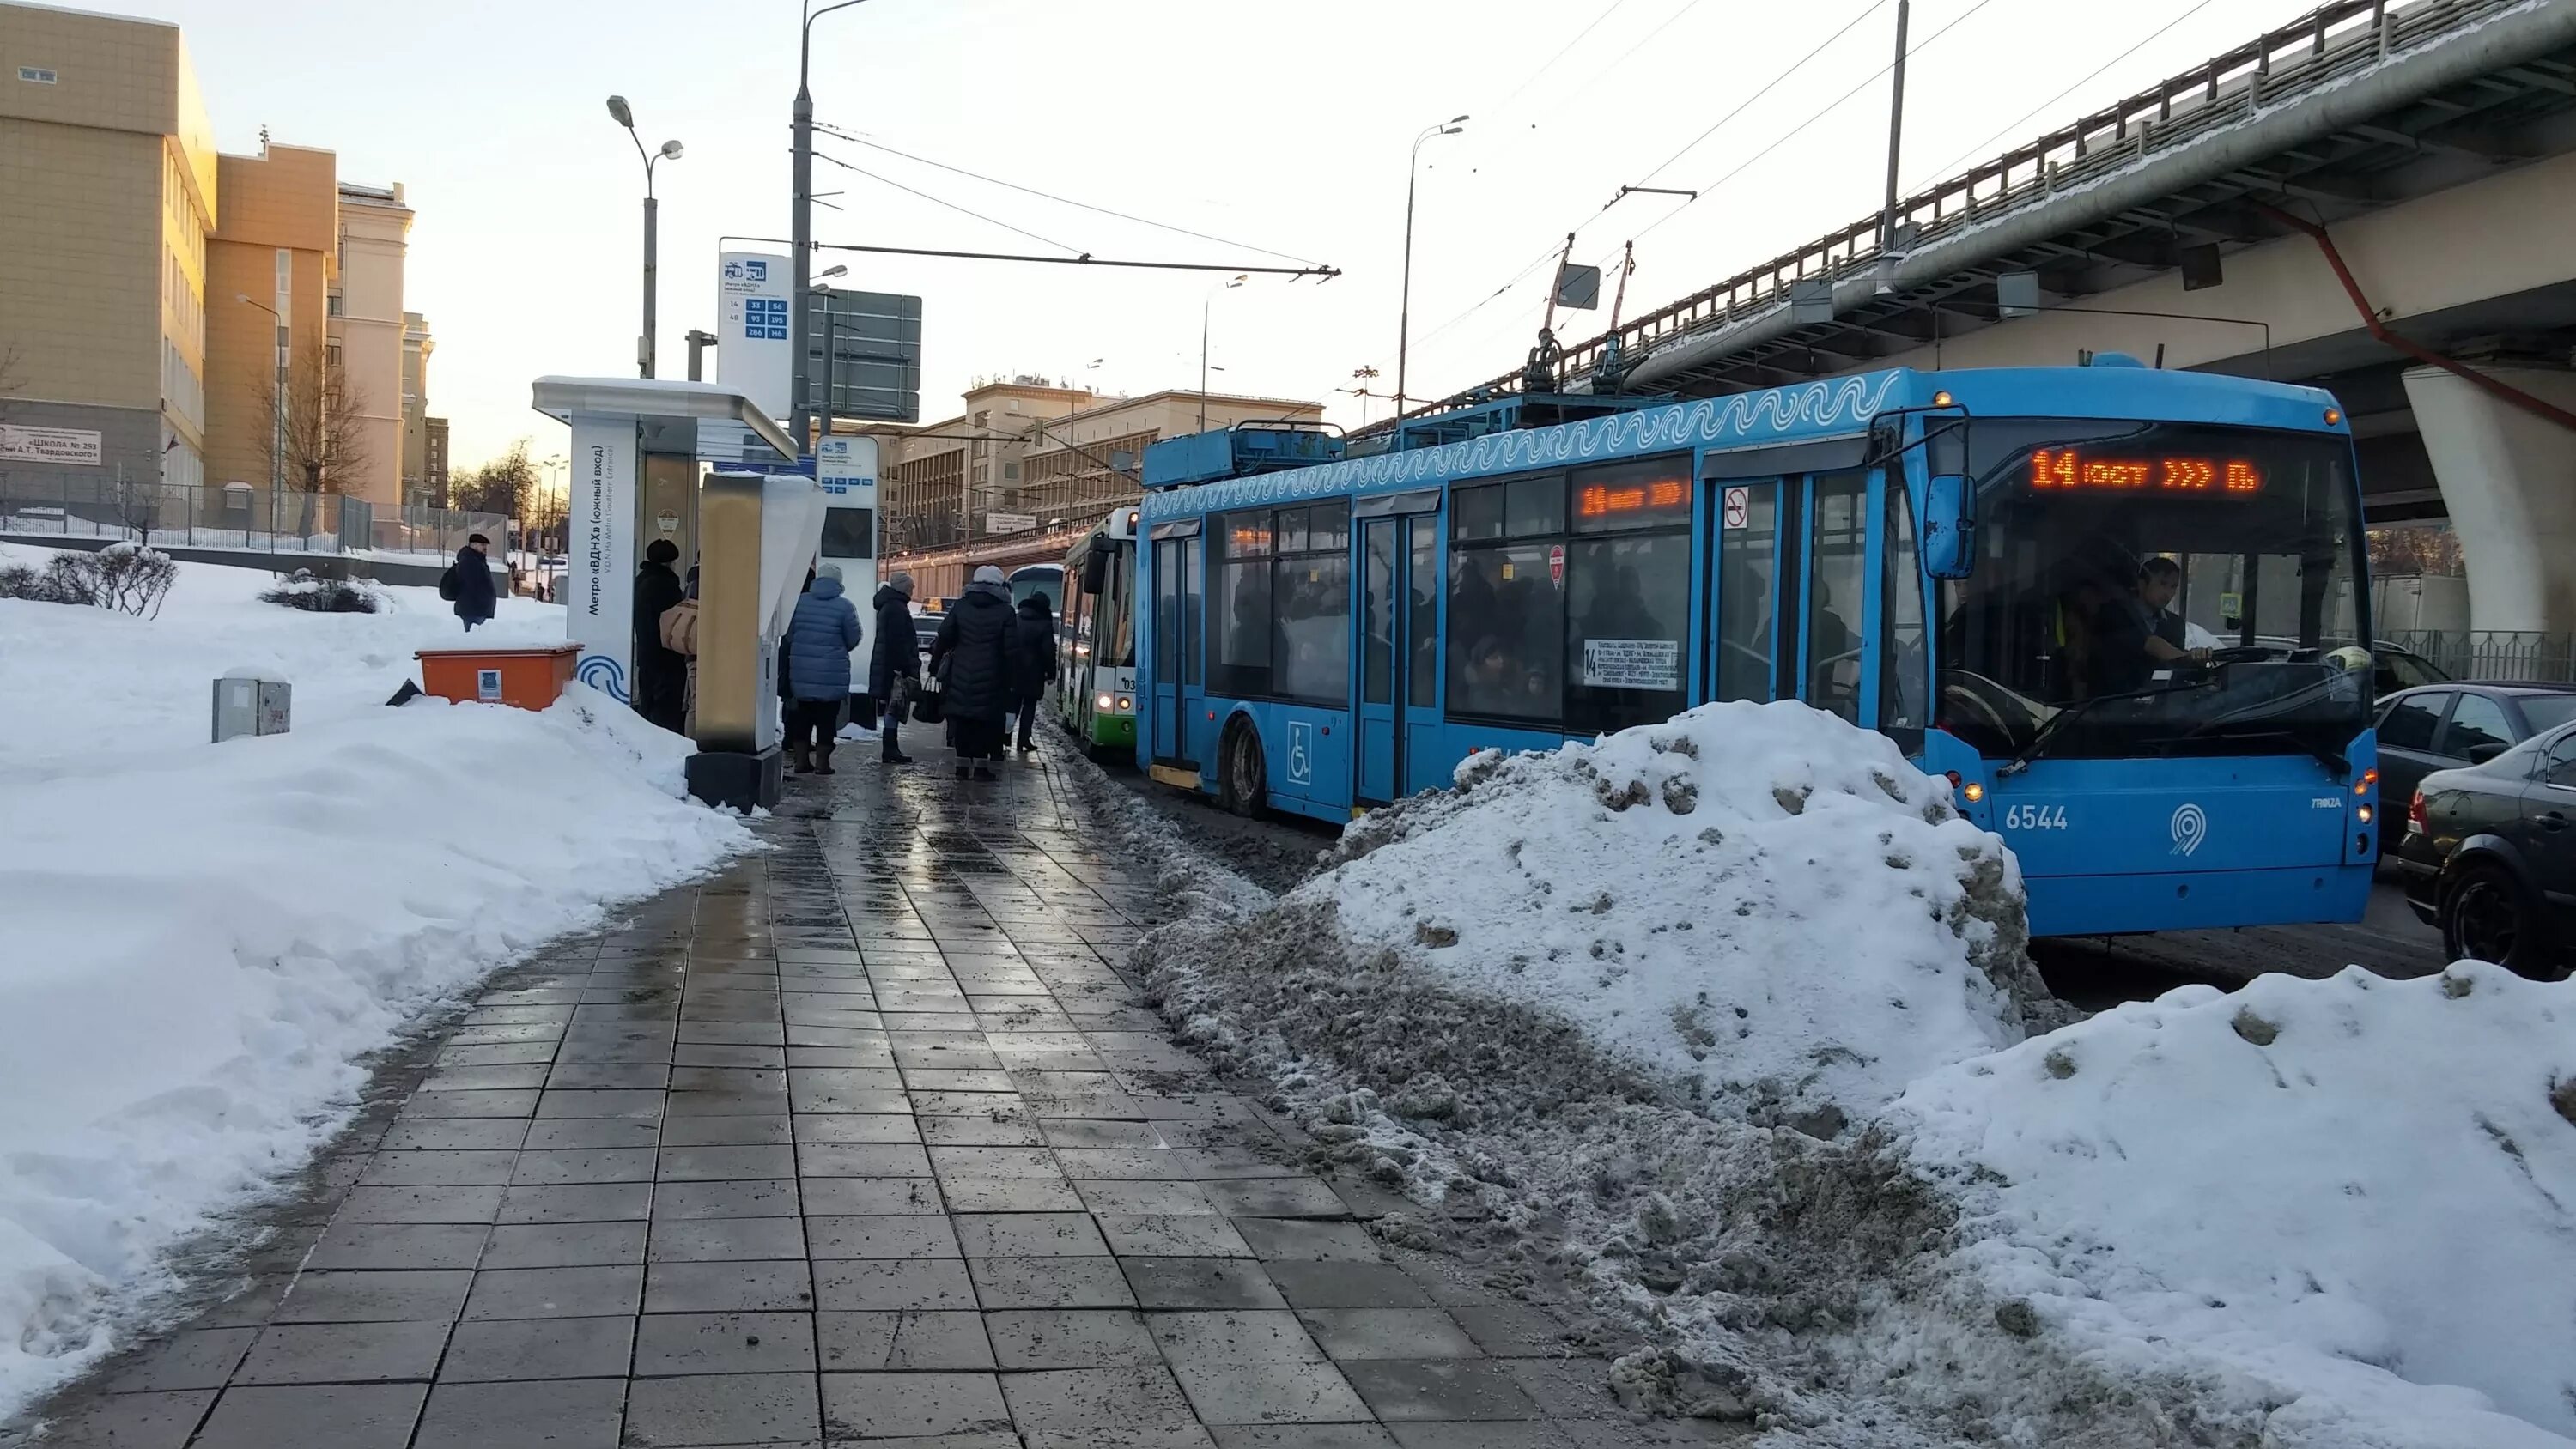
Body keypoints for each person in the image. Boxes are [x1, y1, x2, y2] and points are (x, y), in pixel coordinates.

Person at [930, 564, 1016, 780]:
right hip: (992, 676)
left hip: (961, 672)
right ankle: (980, 768)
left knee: (963, 721)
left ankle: (960, 768)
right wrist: (1011, 677)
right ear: (999, 585)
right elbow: (1011, 649)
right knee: (984, 723)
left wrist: (935, 663)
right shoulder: (1006, 611)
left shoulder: (961, 606)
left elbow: (944, 635)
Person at [783, 563, 862, 775]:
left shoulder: (799, 603)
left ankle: (801, 761)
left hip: (802, 671)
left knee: (802, 717)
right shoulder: (845, 607)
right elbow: (854, 638)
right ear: (838, 582)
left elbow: (789, 634)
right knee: (827, 720)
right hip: (832, 672)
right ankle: (822, 764)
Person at [630, 539, 688, 732]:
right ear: (669, 562)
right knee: (665, 707)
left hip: (646, 653)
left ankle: (646, 743)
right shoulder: (666, 584)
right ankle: (664, 747)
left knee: (648, 701)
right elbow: (675, 619)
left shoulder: (641, 580)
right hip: (667, 656)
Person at [868, 570, 922, 766]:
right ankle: (890, 749)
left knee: (893, 707)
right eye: (911, 586)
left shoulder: (890, 606)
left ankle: (891, 748)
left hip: (887, 664)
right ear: (903, 588)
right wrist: (906, 667)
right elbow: (899, 642)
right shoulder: (896, 609)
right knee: (894, 707)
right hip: (894, 667)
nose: (913, 589)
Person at [1012, 590, 1057, 754]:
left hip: (1014, 670)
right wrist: (1051, 673)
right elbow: (1048, 651)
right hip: (1034, 673)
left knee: (1012, 705)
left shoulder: (1017, 619)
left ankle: (1005, 735)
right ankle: (1024, 739)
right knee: (1029, 707)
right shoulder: (1044, 624)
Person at [449, 532, 497, 632]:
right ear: (474, 545)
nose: (485, 548)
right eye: (482, 545)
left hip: (477, 609)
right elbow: (471, 584)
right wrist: (483, 599)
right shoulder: (470, 561)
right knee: (473, 640)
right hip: (474, 610)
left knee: (474, 641)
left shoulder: (476, 560)